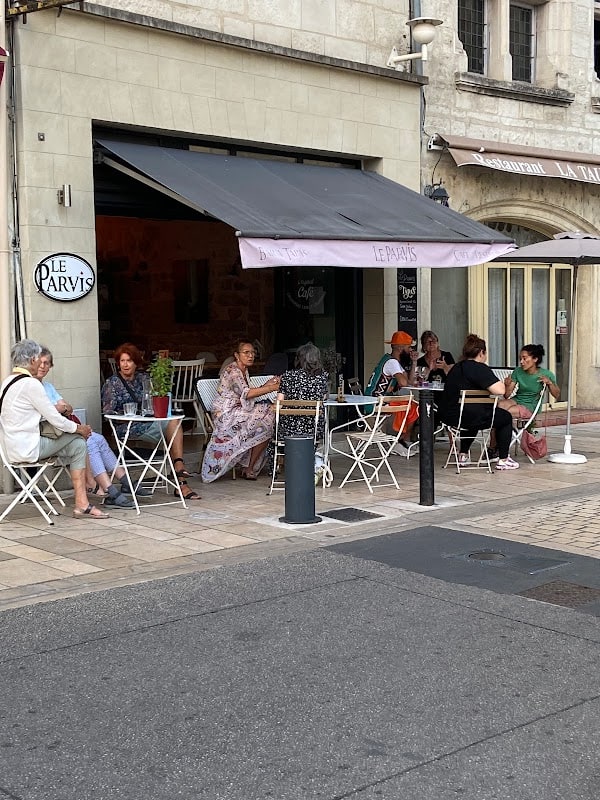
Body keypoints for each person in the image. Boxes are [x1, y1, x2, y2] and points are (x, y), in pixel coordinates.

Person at [0, 339, 107, 519]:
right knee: (79, 441)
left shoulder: (8, 381)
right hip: (29, 448)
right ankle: (82, 502)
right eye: (39, 359)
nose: (41, 364)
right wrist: (79, 428)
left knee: (77, 445)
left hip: (11, 447)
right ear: (33, 359)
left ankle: (82, 502)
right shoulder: (31, 384)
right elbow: (55, 419)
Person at [37, 347, 151, 509]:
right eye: (40, 362)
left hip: (60, 431)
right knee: (88, 442)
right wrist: (58, 408)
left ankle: (125, 481)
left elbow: (68, 407)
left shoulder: (48, 386)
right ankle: (111, 491)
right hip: (47, 437)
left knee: (98, 438)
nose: (43, 366)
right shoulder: (31, 388)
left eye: (47, 363)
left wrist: (60, 408)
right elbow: (48, 412)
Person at [101, 342, 200, 501]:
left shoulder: (144, 379)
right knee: (172, 430)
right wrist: (129, 413)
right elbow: (107, 413)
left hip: (149, 422)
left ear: (136, 363)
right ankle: (180, 479)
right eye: (122, 361)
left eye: (129, 361)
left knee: (174, 423)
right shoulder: (112, 383)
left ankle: (179, 472)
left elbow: (156, 399)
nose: (125, 365)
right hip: (128, 427)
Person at [201, 340, 280, 481]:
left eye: (253, 353)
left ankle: (249, 467)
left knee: (268, 419)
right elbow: (246, 393)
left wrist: (266, 385)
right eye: (246, 352)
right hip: (226, 414)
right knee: (268, 415)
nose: (251, 356)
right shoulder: (233, 371)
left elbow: (245, 393)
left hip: (239, 410)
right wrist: (271, 388)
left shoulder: (244, 370)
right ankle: (248, 467)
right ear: (237, 355)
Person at [438, 333, 518, 470]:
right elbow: (500, 390)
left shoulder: (456, 368)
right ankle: (503, 459)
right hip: (471, 416)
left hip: (449, 416)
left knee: (471, 412)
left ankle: (463, 455)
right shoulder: (480, 368)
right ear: (481, 352)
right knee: (505, 417)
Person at [365, 330, 419, 450]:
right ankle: (400, 440)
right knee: (413, 407)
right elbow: (403, 383)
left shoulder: (393, 361)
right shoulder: (392, 363)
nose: (411, 350)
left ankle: (403, 439)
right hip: (376, 402)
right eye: (408, 347)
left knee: (412, 405)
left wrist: (414, 362)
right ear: (400, 348)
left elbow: (409, 381)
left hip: (378, 400)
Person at [277, 342, 328, 441]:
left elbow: (280, 402)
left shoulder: (288, 376)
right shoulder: (322, 377)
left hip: (288, 429)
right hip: (314, 429)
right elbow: (324, 397)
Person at [501, 343, 560, 419]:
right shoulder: (517, 371)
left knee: (506, 412)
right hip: (517, 400)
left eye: (524, 358)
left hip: (531, 406)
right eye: (520, 359)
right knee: (500, 406)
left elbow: (556, 395)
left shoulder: (546, 374)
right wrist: (507, 385)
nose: (521, 362)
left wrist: (550, 383)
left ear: (535, 359)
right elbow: (506, 396)